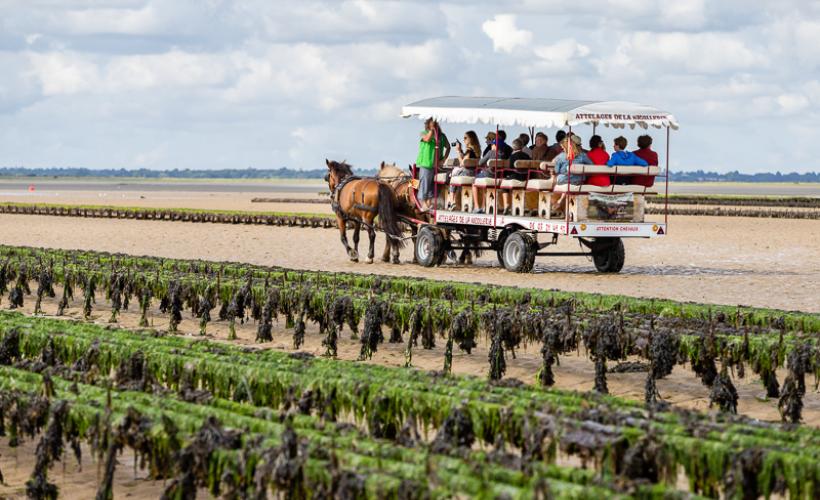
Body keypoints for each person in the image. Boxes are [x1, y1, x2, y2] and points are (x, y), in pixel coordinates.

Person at [551, 135, 593, 213]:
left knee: (558, 180)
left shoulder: (561, 156)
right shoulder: (583, 156)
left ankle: (559, 204)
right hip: (579, 181)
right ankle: (562, 204)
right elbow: (592, 166)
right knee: (569, 182)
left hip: (564, 180)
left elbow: (556, 170)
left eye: (563, 147)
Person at [415, 118, 448, 211]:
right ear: (428, 124)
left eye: (435, 123)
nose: (434, 124)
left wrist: (444, 159)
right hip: (425, 163)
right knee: (424, 183)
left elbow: (448, 147)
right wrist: (432, 130)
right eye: (432, 123)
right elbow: (427, 139)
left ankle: (429, 204)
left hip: (436, 166)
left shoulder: (441, 136)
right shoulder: (423, 133)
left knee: (431, 187)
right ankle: (422, 202)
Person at [471, 138, 510, 213]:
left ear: (495, 145)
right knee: (484, 185)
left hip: (489, 175)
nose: (491, 146)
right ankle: (483, 206)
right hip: (499, 176)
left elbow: (480, 163)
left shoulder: (490, 152)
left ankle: (476, 207)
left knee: (474, 182)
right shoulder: (503, 154)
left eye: (492, 144)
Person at [447, 131, 481, 209]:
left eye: (465, 138)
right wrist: (461, 151)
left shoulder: (469, 151)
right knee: (453, 175)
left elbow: (462, 163)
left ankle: (452, 201)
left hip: (467, 173)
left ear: (471, 139)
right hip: (473, 173)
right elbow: (466, 160)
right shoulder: (477, 150)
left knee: (451, 177)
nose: (464, 140)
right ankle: (459, 202)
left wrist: (458, 151)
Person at [500, 138, 531, 214]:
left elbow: (509, 169)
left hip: (515, 178)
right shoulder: (527, 156)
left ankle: (506, 204)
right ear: (522, 146)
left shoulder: (512, 156)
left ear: (513, 147)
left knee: (504, 185)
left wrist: (504, 176)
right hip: (525, 179)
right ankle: (519, 206)